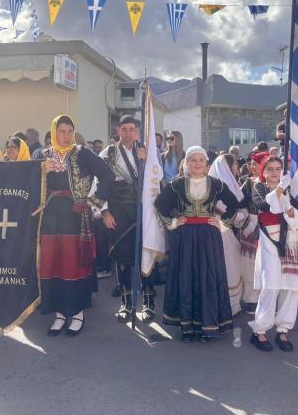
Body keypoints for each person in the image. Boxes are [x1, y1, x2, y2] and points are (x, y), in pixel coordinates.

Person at [38, 115, 113, 337]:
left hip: (75, 215)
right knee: (52, 263)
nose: (66, 135)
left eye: (70, 131)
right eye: (61, 131)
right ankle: (60, 313)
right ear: (54, 132)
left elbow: (107, 175)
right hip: (50, 216)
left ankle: (77, 312)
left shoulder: (82, 153)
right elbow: (29, 184)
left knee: (73, 263)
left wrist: (94, 201)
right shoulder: (42, 156)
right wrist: (41, 172)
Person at [155, 146, 238, 342]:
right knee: (186, 277)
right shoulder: (176, 184)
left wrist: (222, 223)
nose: (197, 163)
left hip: (209, 237)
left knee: (207, 278)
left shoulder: (216, 184)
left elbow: (234, 203)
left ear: (207, 165)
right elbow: (160, 204)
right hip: (185, 237)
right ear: (186, 163)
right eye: (193, 160)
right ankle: (187, 327)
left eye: (201, 160)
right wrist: (173, 223)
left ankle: (207, 325)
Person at [99, 115, 155, 322]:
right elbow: (98, 183)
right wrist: (104, 211)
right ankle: (126, 303)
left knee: (146, 255)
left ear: (137, 131)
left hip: (142, 210)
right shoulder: (108, 153)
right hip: (118, 211)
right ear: (118, 131)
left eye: (132, 129)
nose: (128, 133)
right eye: (124, 129)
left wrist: (145, 161)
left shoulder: (147, 151)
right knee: (122, 257)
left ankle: (148, 302)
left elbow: (156, 180)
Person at [248, 155, 298, 352]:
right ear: (263, 171)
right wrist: (280, 190)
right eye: (270, 168)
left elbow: (296, 213)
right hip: (269, 241)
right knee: (270, 285)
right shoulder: (259, 187)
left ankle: (283, 329)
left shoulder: (288, 191)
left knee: (289, 287)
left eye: (278, 169)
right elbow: (263, 205)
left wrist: (289, 208)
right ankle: (260, 330)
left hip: (289, 242)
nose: (274, 172)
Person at [208, 154, 250, 316]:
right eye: (235, 164)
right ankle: (229, 305)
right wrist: (244, 215)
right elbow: (232, 213)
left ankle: (218, 304)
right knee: (228, 265)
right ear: (227, 166)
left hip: (216, 231)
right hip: (222, 231)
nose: (237, 167)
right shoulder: (222, 185)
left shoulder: (213, 182)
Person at [238, 151, 268, 313]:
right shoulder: (248, 183)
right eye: (250, 164)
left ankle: (264, 299)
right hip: (250, 227)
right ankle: (251, 299)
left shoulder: (270, 183)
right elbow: (239, 200)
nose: (251, 167)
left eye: (255, 164)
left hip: (267, 228)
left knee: (265, 265)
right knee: (249, 265)